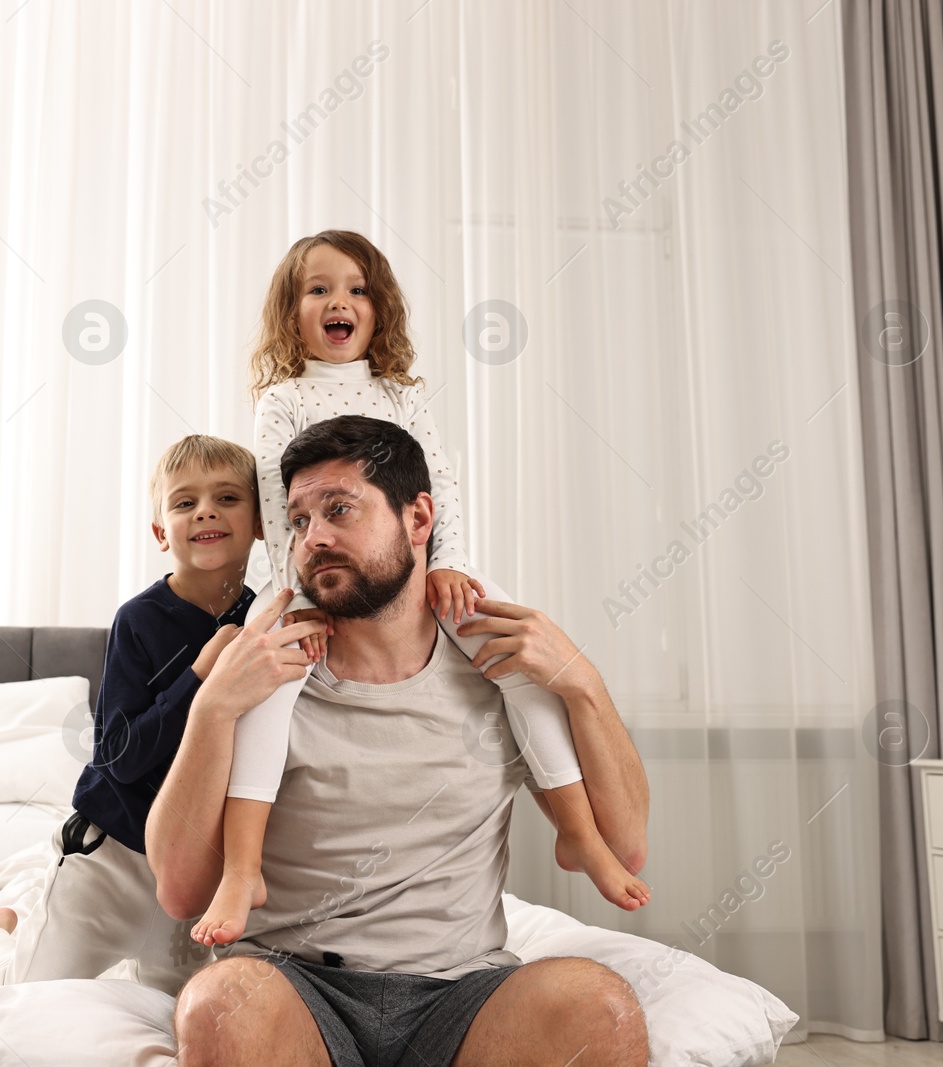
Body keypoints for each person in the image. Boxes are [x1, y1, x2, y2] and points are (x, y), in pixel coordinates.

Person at [190, 230, 648, 950]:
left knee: (522, 672)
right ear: (292, 313)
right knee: (266, 697)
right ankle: (244, 867)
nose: (338, 301)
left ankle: (577, 831)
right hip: (303, 583)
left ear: (379, 310)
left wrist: (447, 564)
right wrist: (298, 599)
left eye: (356, 288)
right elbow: (284, 511)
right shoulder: (282, 401)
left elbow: (440, 488)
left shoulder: (402, 396)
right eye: (318, 289)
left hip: (426, 568)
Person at [148, 415, 652, 1066]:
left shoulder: (492, 663)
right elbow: (182, 892)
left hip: (465, 992)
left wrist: (582, 682)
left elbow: (625, 847)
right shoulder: (266, 671)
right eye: (299, 520)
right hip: (296, 983)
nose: (315, 537)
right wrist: (210, 709)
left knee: (599, 1007)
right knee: (219, 1002)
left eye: (339, 509)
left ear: (419, 520)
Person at [0, 435, 325, 995]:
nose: (206, 510)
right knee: (23, 993)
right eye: (184, 503)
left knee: (176, 1009)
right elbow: (117, 755)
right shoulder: (138, 621)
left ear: (263, 522)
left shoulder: (266, 616)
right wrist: (199, 679)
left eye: (227, 497)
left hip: (192, 866)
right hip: (108, 856)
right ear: (162, 532)